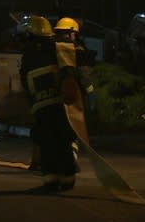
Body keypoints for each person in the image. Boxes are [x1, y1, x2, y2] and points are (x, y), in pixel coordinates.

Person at [19, 15, 77, 192]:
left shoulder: (29, 54)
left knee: (47, 142)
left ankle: (51, 180)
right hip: (60, 104)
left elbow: (25, 81)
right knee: (63, 140)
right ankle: (68, 179)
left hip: (41, 106)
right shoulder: (58, 49)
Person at [53, 16, 97, 171]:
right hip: (74, 97)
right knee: (72, 129)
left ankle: (56, 161)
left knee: (57, 130)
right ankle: (71, 157)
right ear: (73, 34)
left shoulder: (52, 50)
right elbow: (85, 75)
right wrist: (91, 93)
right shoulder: (76, 51)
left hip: (53, 97)